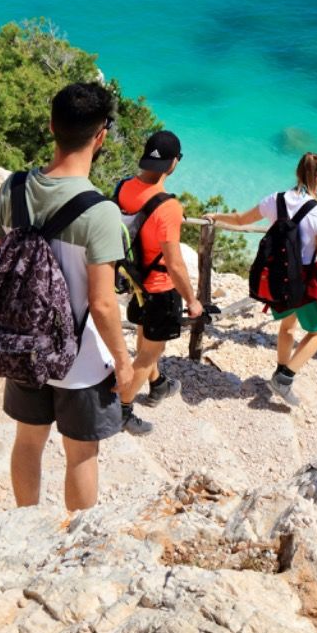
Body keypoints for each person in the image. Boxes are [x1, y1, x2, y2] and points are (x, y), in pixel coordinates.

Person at [0, 82, 132, 511]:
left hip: (23, 345)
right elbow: (102, 304)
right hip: (80, 361)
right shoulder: (100, 212)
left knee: (28, 440)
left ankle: (26, 526)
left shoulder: (13, 189)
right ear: (101, 136)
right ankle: (70, 549)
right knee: (81, 452)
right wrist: (123, 362)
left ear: (51, 126)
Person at [208, 152, 317, 406]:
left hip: (278, 276)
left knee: (287, 326)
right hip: (306, 278)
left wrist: (215, 217)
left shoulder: (275, 199)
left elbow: (240, 220)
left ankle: (280, 369)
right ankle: (285, 378)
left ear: (297, 173)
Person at [112, 130, 202, 435]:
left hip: (133, 280)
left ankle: (158, 384)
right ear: (174, 163)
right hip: (160, 288)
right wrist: (192, 300)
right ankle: (120, 409)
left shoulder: (123, 187)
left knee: (145, 336)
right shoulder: (169, 207)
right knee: (149, 352)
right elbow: (174, 263)